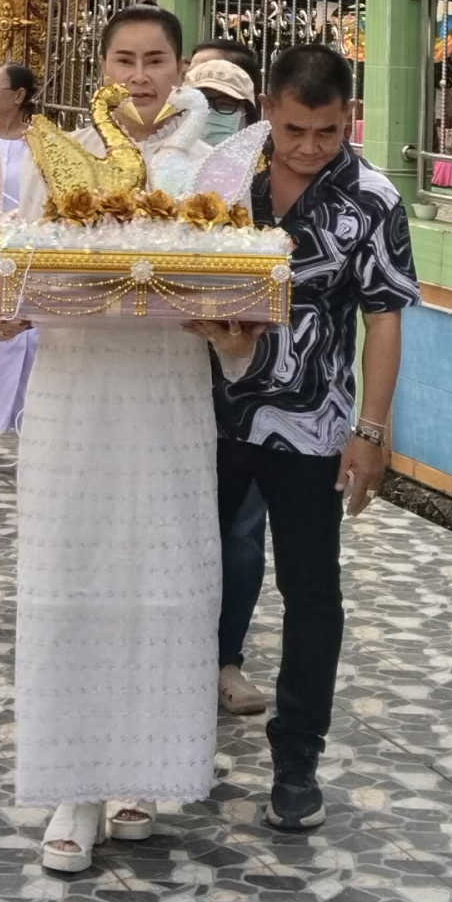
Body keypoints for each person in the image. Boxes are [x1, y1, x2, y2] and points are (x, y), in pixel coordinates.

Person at [0, 5, 253, 874]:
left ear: (182, 68)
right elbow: (14, 264)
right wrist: (6, 307)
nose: (141, 75)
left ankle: (141, 770)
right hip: (75, 394)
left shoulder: (212, 161)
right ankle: (75, 784)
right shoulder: (60, 152)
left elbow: (236, 280)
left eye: (157, 60)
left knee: (161, 583)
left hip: (166, 396)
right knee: (74, 579)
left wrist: (229, 323)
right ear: (101, 66)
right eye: (126, 60)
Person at [211, 42, 418, 830]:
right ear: (267, 107)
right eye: (294, 127)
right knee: (192, 571)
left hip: (312, 421)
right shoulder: (225, 179)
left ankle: (297, 756)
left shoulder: (372, 198)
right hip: (211, 411)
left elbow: (385, 315)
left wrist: (372, 427)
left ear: (347, 119)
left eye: (326, 131)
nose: (307, 146)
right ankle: (168, 729)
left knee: (311, 591)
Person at [184, 38, 270, 717]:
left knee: (240, 527)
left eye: (227, 105)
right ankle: (168, 651)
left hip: (241, 382)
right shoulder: (160, 177)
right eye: (204, 101)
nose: (214, 115)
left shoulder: (266, 189)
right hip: (167, 373)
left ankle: (224, 658)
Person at [0, 61, 39, 432]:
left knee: (24, 336)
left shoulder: (40, 141)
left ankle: (19, 417)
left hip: (24, 249)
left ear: (19, 95)